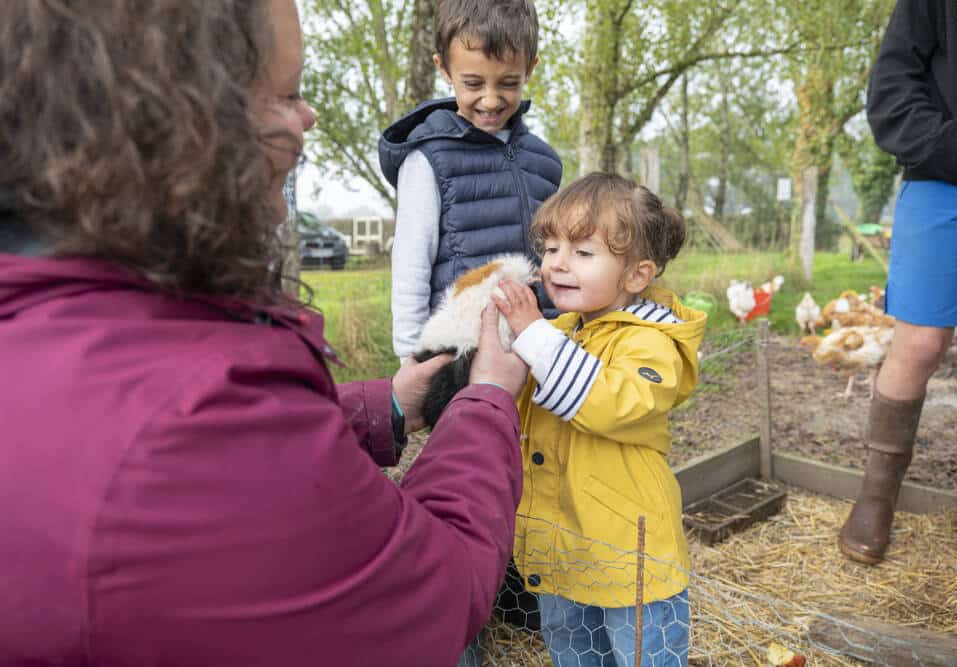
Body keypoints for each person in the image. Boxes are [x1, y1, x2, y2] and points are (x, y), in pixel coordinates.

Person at [0, 1, 531, 665]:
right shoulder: (194, 420)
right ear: (177, 120)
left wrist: (387, 403)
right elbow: (433, 592)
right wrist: (485, 400)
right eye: (286, 95)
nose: (307, 119)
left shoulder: (61, 309)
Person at [493, 173, 707, 667]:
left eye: (583, 253)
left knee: (642, 655)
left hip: (627, 551)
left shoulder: (651, 341)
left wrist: (533, 335)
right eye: (550, 248)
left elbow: (611, 401)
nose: (557, 264)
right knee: (572, 649)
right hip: (560, 537)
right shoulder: (561, 329)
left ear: (636, 275)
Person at [839, 0, 957, 584]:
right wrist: (951, 144)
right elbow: (894, 81)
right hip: (942, 182)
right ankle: (876, 497)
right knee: (922, 341)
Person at [378, 0, 563, 362]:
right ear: (444, 68)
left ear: (530, 69)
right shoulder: (427, 160)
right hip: (462, 354)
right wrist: (410, 356)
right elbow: (410, 265)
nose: (491, 100)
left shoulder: (546, 162)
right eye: (473, 83)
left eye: (509, 83)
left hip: (541, 348)